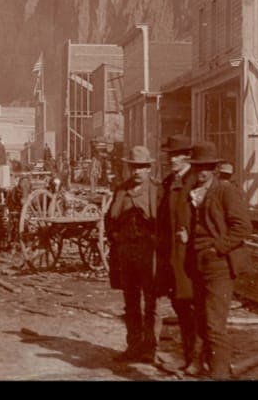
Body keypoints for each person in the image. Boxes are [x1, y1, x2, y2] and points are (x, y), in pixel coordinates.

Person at [183, 141, 252, 379]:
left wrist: (217, 248)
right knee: (200, 317)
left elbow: (243, 227)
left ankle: (220, 373)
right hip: (198, 262)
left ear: (214, 169)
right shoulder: (194, 192)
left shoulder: (225, 191)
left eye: (207, 167)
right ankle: (199, 363)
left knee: (215, 324)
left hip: (219, 264)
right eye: (197, 167)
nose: (201, 172)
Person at [103, 145, 162, 364]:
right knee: (131, 302)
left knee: (151, 302)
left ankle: (150, 348)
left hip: (149, 253)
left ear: (148, 168)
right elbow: (110, 218)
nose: (137, 172)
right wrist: (115, 236)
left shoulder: (157, 191)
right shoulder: (121, 190)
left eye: (142, 167)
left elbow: (164, 223)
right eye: (134, 168)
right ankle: (133, 346)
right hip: (127, 252)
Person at [155, 135, 197, 373]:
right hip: (172, 255)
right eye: (170, 155)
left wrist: (190, 236)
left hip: (190, 256)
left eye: (176, 155)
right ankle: (190, 356)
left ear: (187, 156)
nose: (172, 159)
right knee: (180, 304)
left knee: (192, 306)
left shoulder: (194, 181)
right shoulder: (170, 181)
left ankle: (197, 358)